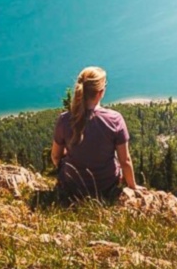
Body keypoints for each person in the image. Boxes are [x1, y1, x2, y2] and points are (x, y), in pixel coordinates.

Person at [50, 66, 138, 199]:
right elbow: (125, 161)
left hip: (73, 187)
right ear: (100, 92)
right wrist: (133, 187)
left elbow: (55, 157)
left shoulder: (64, 120)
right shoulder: (115, 119)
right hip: (106, 188)